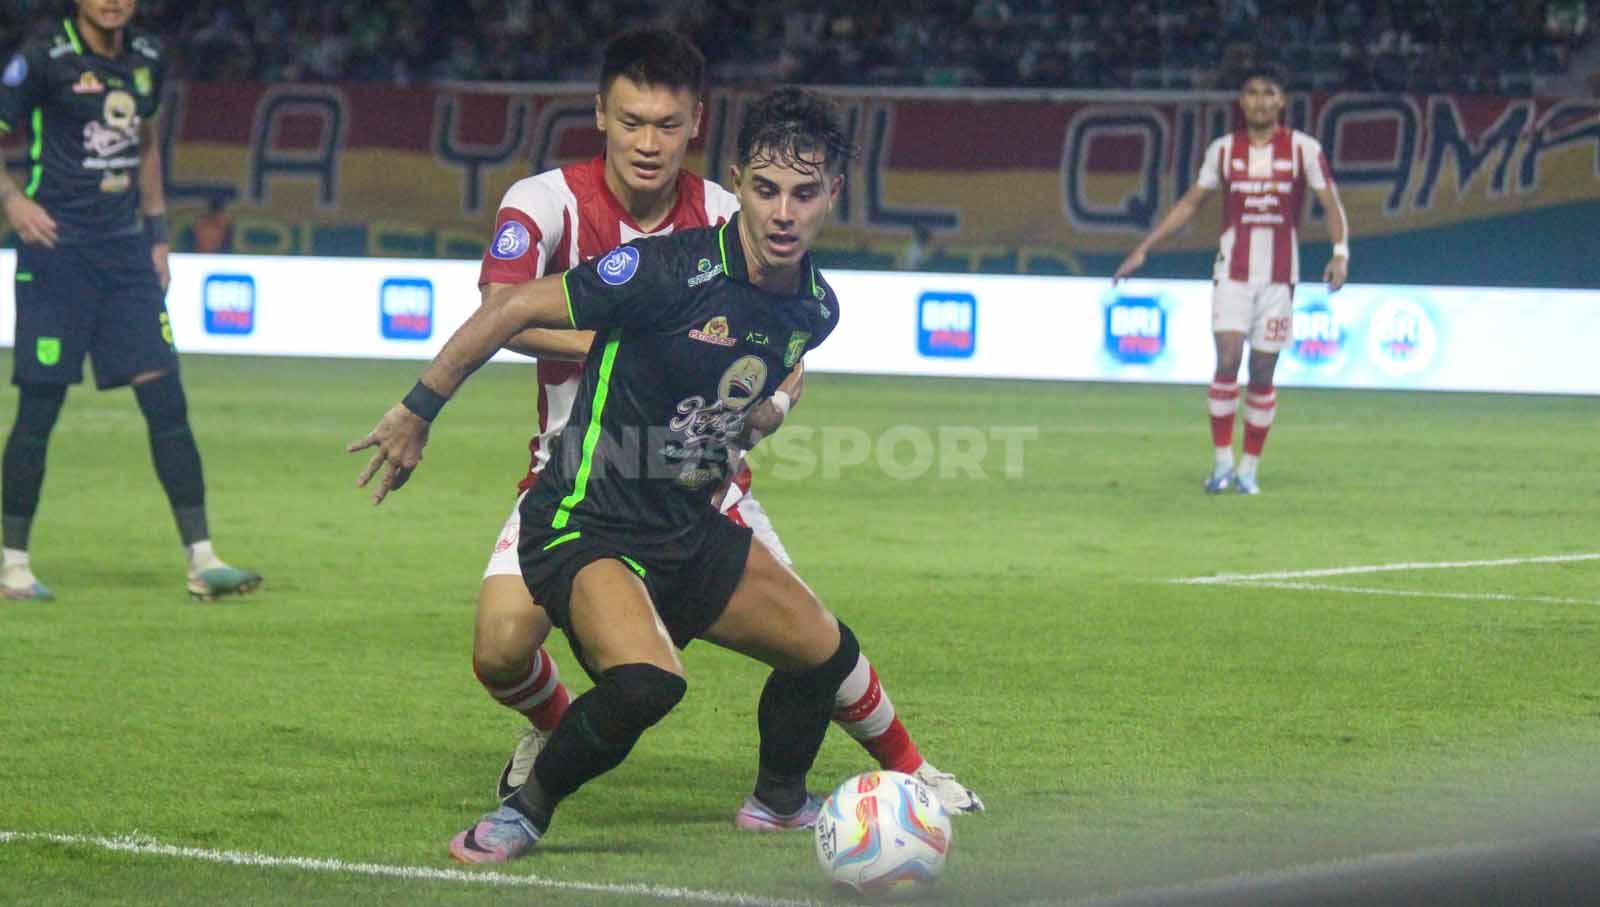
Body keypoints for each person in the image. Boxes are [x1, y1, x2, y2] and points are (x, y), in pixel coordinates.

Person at [353, 87, 943, 864]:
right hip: (587, 518)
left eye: (805, 193)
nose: (783, 212)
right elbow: (508, 307)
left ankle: (779, 802)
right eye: (765, 190)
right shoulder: (667, 268)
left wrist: (771, 408)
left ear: (834, 193)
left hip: (690, 526)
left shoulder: (817, 307)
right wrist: (417, 409)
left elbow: (783, 361)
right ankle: (524, 813)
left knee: (824, 651)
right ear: (739, 181)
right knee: (648, 683)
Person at [467, 28, 981, 825]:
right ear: (601, 115)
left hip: (705, 480)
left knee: (814, 634)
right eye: (633, 121)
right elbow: (499, 308)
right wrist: (633, 335)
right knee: (500, 648)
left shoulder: (729, 212)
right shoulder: (545, 202)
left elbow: (785, 345)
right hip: (575, 474)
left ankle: (910, 772)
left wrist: (772, 399)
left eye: (668, 125)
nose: (649, 142)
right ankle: (555, 725)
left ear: (696, 126)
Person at [0, 1, 259, 600]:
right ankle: (13, 564)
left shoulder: (146, 57)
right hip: (57, 253)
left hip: (126, 258)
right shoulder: (43, 56)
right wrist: (13, 202)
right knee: (40, 409)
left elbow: (146, 144)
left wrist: (159, 233)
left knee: (167, 401)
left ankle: (203, 560)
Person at [1113, 62, 1349, 495]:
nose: (1260, 100)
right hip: (1232, 273)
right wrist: (1144, 247)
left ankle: (1249, 469)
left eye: (1268, 92)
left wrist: (1340, 253)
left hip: (1280, 277)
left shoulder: (1303, 149)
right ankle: (1222, 463)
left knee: (1262, 371)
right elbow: (1191, 202)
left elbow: (1330, 203)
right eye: (1252, 92)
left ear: (1282, 101)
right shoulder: (1223, 150)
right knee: (1227, 359)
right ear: (1242, 102)